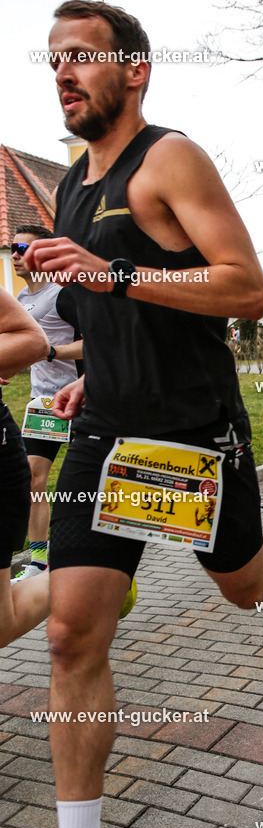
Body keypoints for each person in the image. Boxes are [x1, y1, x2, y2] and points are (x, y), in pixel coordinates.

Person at [0, 0, 263, 828]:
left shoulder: (170, 160)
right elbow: (100, 322)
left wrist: (114, 275)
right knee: (71, 635)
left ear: (135, 71)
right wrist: (86, 379)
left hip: (192, 436)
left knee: (244, 586)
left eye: (82, 58)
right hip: (106, 428)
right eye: (52, 60)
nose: (62, 74)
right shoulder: (69, 186)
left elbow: (243, 285)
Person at [11, 225, 81, 581]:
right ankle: (39, 562)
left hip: (83, 401)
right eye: (11, 247)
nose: (14, 253)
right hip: (44, 405)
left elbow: (100, 344)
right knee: (33, 478)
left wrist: (52, 351)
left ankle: (99, 554)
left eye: (22, 247)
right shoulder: (21, 300)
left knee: (89, 483)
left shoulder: (64, 296)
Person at [0, 287, 50, 648]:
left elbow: (34, 341)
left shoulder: (63, 296)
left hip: (58, 403)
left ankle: (96, 571)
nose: (18, 255)